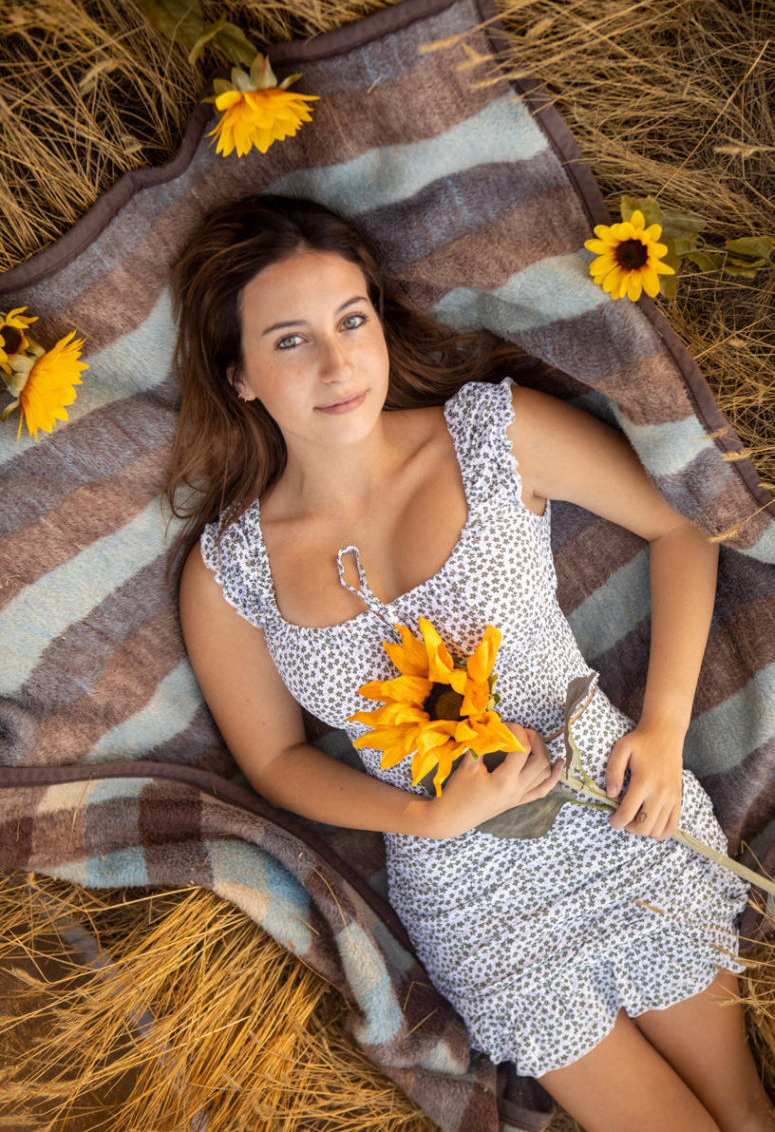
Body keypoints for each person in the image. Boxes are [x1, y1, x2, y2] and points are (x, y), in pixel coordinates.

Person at [166, 193, 772, 1132]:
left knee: (739, 1106)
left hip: (617, 811)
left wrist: (658, 728)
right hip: (466, 894)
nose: (337, 364)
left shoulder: (490, 435)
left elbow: (675, 525)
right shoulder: (230, 575)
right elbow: (275, 763)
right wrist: (425, 813)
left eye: (351, 320)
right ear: (238, 373)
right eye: (290, 341)